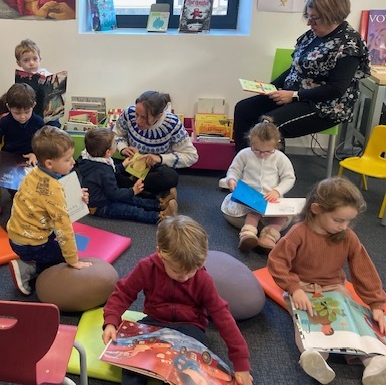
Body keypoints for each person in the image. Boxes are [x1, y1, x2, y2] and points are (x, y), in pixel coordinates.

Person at [102, 215, 253, 385]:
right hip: (154, 323)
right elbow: (123, 293)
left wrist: (241, 362)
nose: (185, 277)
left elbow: (223, 318)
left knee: (187, 372)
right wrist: (111, 321)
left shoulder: (203, 279)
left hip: (190, 328)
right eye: (177, 271)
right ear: (160, 253)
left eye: (191, 271)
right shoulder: (147, 267)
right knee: (132, 364)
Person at [268, 177, 386, 384]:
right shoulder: (299, 232)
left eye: (348, 221)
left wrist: (376, 304)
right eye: (338, 220)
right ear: (316, 209)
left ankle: (375, 362)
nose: (344, 226)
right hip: (302, 288)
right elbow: (276, 262)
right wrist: (294, 288)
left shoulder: (348, 236)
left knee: (356, 321)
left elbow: (364, 270)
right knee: (306, 323)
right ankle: (315, 356)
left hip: (335, 288)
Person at [232, 0, 370, 152]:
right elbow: (296, 68)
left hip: (325, 106)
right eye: (308, 17)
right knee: (243, 109)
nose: (309, 23)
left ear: (331, 16)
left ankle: (273, 168)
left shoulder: (349, 44)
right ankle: (243, 161)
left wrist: (295, 95)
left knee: (270, 125)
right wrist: (271, 87)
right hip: (294, 95)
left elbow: (336, 89)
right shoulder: (313, 35)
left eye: (314, 18)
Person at [7, 126, 91, 296]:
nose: (73, 162)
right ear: (50, 163)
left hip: (16, 235)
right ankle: (28, 268)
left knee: (54, 242)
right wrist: (73, 260)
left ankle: (32, 260)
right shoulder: (53, 189)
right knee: (60, 257)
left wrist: (74, 195)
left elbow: (45, 198)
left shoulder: (34, 172)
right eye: (67, 160)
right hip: (31, 245)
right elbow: (63, 227)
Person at [221, 117, 296, 252]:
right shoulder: (244, 154)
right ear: (250, 141)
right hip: (249, 197)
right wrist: (231, 180)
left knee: (284, 216)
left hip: (271, 198)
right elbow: (234, 171)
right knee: (254, 211)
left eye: (267, 151)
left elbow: (289, 178)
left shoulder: (280, 158)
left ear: (277, 144)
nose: (262, 155)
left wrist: (277, 191)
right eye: (257, 150)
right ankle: (248, 234)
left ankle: (269, 237)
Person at [78, 127, 179, 223]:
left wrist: (123, 165)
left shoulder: (92, 159)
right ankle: (160, 217)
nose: (116, 144)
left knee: (132, 199)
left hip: (104, 195)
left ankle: (159, 204)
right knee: (131, 210)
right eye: (115, 143)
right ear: (108, 152)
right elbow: (114, 193)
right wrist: (133, 190)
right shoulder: (102, 170)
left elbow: (111, 172)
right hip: (101, 206)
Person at [114, 91, 198, 198]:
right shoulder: (128, 113)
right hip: (129, 163)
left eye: (144, 117)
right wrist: (123, 148)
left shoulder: (172, 124)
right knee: (104, 169)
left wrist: (159, 158)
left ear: (159, 116)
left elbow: (191, 156)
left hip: (153, 169)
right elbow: (116, 134)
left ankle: (130, 189)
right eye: (136, 114)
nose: (138, 121)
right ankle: (152, 195)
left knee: (170, 177)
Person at [0, 83, 44, 169]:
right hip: (9, 158)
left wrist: (35, 154)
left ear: (33, 105)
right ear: (8, 107)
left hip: (30, 159)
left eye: (27, 112)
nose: (23, 117)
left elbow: (43, 144)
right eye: (17, 113)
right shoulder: (5, 121)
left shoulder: (38, 122)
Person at [14, 38, 61, 127]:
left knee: (55, 125)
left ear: (40, 59)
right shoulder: (20, 79)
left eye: (35, 59)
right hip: (30, 114)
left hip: (49, 114)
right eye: (26, 60)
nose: (31, 63)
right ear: (19, 63)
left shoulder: (47, 75)